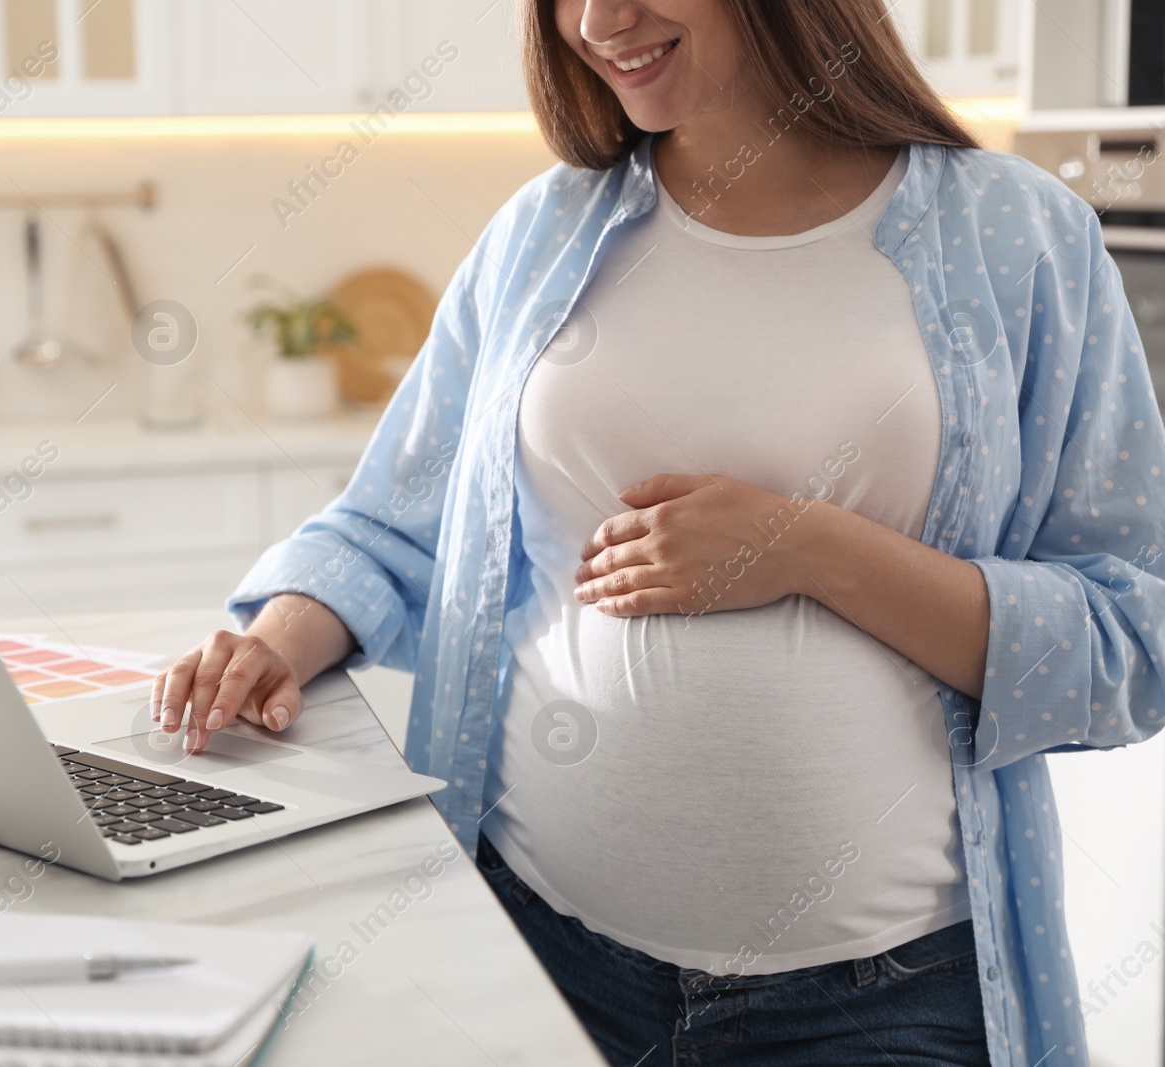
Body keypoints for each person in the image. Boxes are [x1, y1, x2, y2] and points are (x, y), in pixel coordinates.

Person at [149, 1, 1165, 1063]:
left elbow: (1131, 636)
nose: (597, 20)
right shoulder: (544, 236)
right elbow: (394, 525)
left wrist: (806, 547)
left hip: (882, 998)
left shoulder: (1016, 233)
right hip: (539, 945)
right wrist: (274, 638)